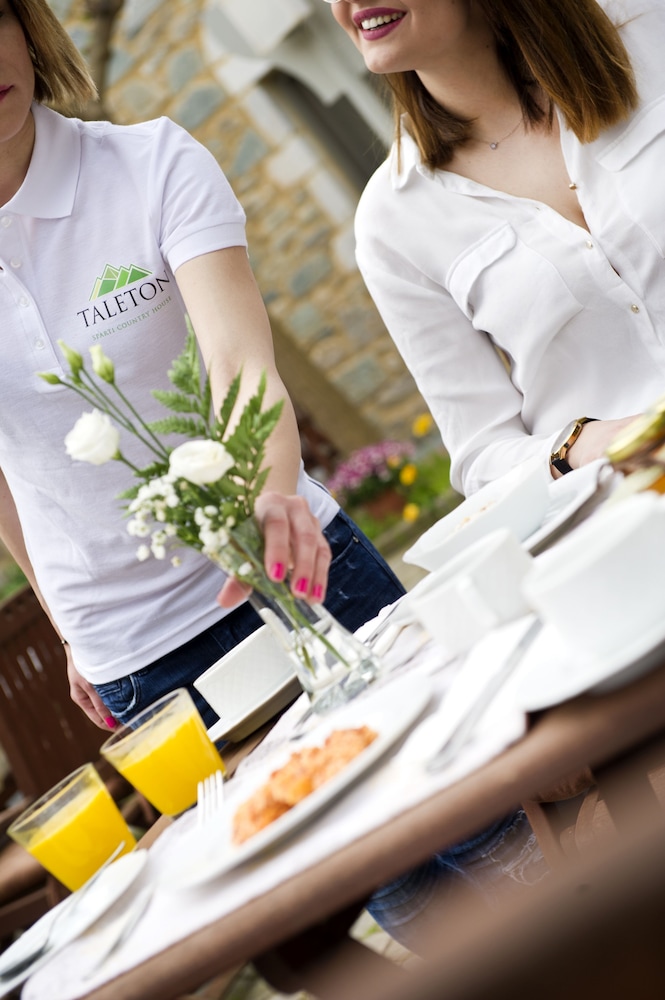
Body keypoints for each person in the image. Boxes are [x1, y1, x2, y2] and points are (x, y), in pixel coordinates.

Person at [0, 0, 405, 735]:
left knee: (493, 793)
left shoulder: (151, 164)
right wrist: (66, 627)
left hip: (297, 568)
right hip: (138, 660)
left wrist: (270, 502)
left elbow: (237, 360)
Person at [327, 0, 665, 498]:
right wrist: (582, 445)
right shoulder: (391, 219)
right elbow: (481, 454)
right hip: (631, 500)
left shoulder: (645, 34)